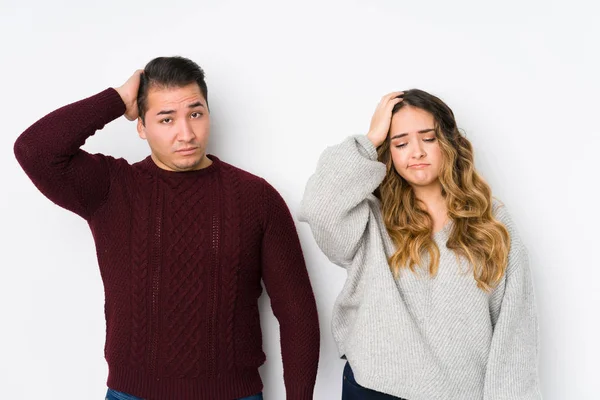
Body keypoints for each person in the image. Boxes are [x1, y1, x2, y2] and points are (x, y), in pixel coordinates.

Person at [14, 56, 320, 400]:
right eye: (166, 118)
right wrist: (117, 98)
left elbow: (297, 312)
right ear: (141, 126)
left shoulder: (256, 197)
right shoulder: (112, 189)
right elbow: (34, 149)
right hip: (132, 395)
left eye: (195, 113)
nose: (185, 133)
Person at [299, 90, 541, 399]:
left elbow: (514, 337)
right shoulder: (370, 217)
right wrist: (370, 139)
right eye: (400, 143)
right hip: (373, 389)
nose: (416, 152)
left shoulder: (492, 223)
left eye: (428, 139)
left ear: (450, 143)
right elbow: (319, 207)